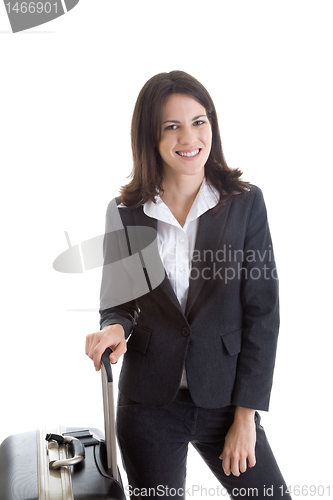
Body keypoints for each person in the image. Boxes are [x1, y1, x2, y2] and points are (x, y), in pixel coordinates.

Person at [85, 71, 292, 499]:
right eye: (172, 126)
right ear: (151, 137)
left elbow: (263, 314)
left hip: (225, 401)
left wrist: (245, 418)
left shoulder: (245, 204)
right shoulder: (127, 213)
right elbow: (120, 303)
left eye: (199, 121)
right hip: (148, 407)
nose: (189, 137)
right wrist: (114, 328)